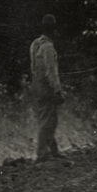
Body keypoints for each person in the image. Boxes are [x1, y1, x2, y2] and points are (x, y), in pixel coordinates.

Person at [30, 14, 65, 162]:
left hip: (36, 84)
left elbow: (33, 66)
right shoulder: (48, 48)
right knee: (49, 120)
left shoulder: (35, 44)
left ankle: (53, 150)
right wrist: (58, 90)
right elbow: (51, 72)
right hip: (45, 86)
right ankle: (42, 153)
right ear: (52, 30)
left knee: (46, 117)